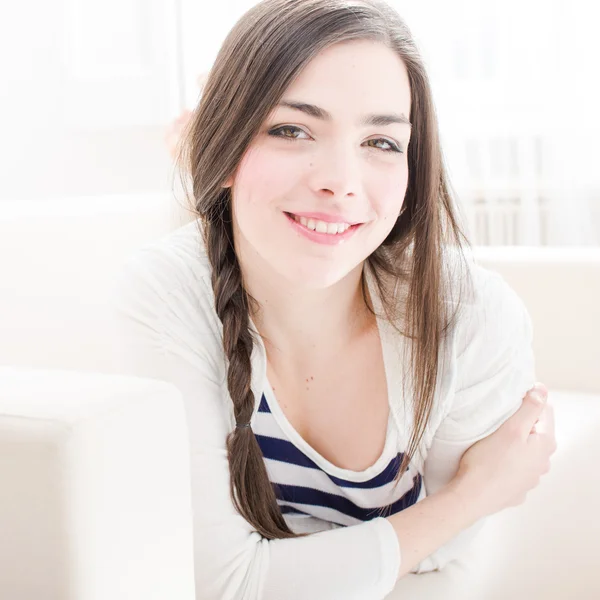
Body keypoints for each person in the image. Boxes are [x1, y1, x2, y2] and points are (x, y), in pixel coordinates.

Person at [111, 0, 557, 598]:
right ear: (220, 145)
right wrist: (471, 496)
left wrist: (303, 563)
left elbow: (445, 558)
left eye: (380, 141)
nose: (341, 181)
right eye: (291, 130)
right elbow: (224, 584)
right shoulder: (165, 292)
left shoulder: (469, 315)